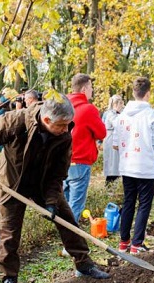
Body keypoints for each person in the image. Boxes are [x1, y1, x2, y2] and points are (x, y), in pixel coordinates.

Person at [0, 93, 110, 283]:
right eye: (62, 125)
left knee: (66, 218)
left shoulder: (64, 136)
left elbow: (57, 174)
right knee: (9, 232)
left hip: (43, 184)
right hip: (12, 183)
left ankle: (84, 263)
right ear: (46, 120)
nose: (66, 129)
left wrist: (52, 202)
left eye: (68, 124)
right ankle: (9, 278)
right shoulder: (16, 121)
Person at [112, 77, 154, 254]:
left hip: (127, 167)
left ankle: (124, 242)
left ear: (133, 93)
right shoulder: (152, 116)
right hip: (145, 168)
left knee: (128, 203)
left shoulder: (122, 116)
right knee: (143, 205)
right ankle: (137, 244)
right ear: (148, 93)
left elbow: (115, 144)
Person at [63, 73, 107, 223]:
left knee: (64, 205)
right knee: (75, 206)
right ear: (84, 89)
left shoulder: (62, 106)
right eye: (91, 88)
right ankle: (70, 244)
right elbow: (102, 133)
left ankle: (65, 237)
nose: (92, 91)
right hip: (80, 162)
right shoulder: (88, 109)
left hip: (61, 161)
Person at [102, 95, 124, 184]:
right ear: (116, 104)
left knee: (116, 163)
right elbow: (117, 123)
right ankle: (110, 183)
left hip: (114, 138)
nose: (122, 106)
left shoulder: (116, 113)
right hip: (111, 139)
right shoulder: (110, 114)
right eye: (121, 104)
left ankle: (114, 182)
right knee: (112, 163)